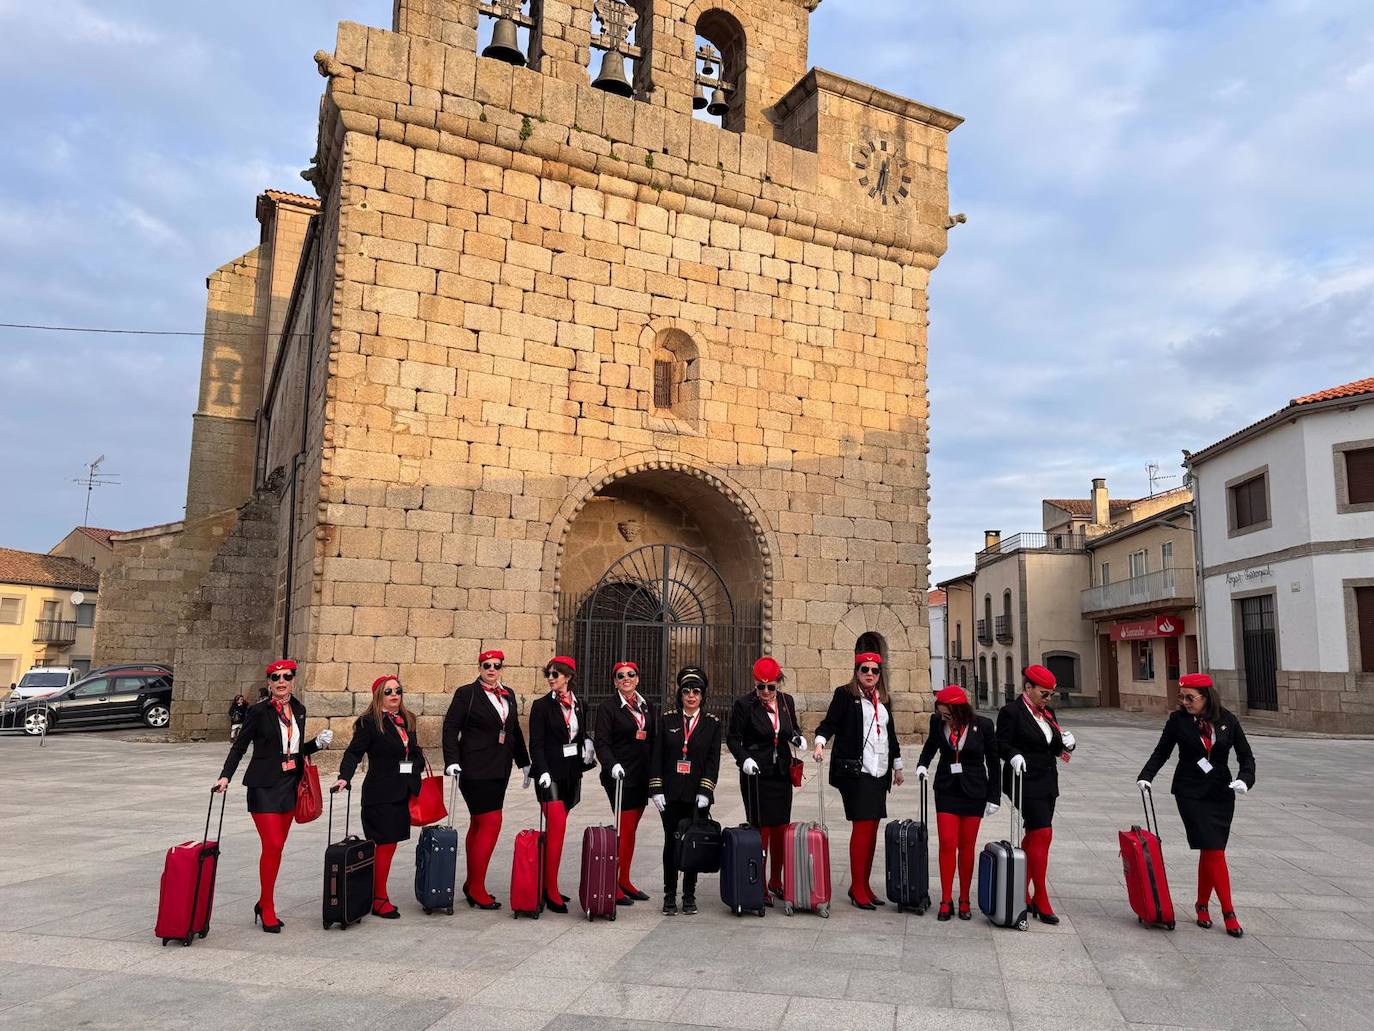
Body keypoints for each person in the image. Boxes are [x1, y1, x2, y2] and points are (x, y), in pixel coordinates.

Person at [213, 660, 333, 932]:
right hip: (264, 786)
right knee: (274, 843)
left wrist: (317, 744)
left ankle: (263, 900)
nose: (281, 681)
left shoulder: (299, 709)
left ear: (293, 680)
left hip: (289, 784)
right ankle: (267, 906)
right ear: (269, 682)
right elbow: (240, 746)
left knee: (276, 849)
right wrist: (225, 776)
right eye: (276, 677)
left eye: (286, 677)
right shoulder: (257, 711)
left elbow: (295, 748)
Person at [1137, 672, 1256, 938]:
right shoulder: (1178, 721)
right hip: (1189, 792)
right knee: (1214, 850)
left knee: (1211, 850)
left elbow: (1246, 755)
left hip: (1221, 792)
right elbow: (1162, 751)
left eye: (1190, 698)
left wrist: (1245, 780)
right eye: (1182, 697)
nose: (1185, 702)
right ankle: (1229, 912)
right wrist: (1146, 776)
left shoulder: (1227, 720)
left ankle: (1202, 905)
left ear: (1206, 697)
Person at [812, 651, 905, 910]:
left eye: (875, 671)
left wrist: (897, 766)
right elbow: (829, 723)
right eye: (865, 669)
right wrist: (820, 743)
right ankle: (858, 887)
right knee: (862, 828)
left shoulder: (884, 699)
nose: (870, 675)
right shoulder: (845, 695)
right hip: (856, 771)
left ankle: (862, 884)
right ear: (857, 671)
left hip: (879, 771)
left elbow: (890, 735)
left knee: (873, 828)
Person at [441, 649, 531, 910]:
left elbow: (512, 730)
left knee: (479, 823)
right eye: (486, 665)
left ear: (502, 667)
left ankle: (472, 883)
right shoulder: (466, 694)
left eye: (496, 665)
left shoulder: (509, 694)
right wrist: (451, 761)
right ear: (479, 667)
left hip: (500, 768)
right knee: (491, 822)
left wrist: (523, 762)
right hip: (475, 768)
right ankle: (477, 887)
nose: (491, 669)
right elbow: (450, 728)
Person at [332, 675, 425, 919]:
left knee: (390, 845)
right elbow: (354, 753)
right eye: (388, 692)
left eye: (398, 690)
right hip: (380, 793)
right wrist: (344, 777)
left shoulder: (407, 719)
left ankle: (376, 894)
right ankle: (379, 898)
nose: (395, 695)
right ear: (378, 696)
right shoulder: (368, 723)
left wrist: (415, 764)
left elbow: (414, 751)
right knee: (383, 846)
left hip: (401, 791)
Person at [996, 664, 1076, 924]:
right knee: (1043, 833)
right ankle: (1041, 896)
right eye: (1044, 693)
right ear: (1027, 688)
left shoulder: (1047, 713)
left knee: (1034, 835)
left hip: (1047, 781)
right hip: (1024, 780)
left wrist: (1067, 743)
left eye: (1051, 694)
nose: (1048, 699)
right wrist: (1013, 755)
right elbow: (1001, 744)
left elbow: (1052, 747)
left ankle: (1022, 892)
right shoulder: (1011, 712)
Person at [915, 685, 1000, 920]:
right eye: (942, 714)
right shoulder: (937, 723)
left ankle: (964, 898)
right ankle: (945, 898)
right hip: (946, 790)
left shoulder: (982, 726)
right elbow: (931, 745)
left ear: (960, 710)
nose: (945, 719)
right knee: (947, 843)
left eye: (948, 715)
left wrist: (994, 796)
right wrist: (922, 764)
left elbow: (993, 762)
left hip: (974, 790)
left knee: (967, 846)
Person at [727, 656, 806, 904]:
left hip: (780, 773)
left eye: (770, 686)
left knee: (781, 828)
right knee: (761, 829)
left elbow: (791, 729)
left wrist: (797, 739)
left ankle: (776, 880)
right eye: (760, 686)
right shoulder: (744, 705)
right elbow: (732, 738)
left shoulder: (786, 701)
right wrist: (744, 759)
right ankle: (758, 882)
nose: (765, 692)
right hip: (755, 774)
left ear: (778, 684)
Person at [648, 666, 721, 915]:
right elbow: (657, 755)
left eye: (696, 692)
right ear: (680, 694)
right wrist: (656, 788)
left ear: (703, 696)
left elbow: (713, 761)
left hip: (696, 795)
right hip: (670, 793)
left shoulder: (712, 724)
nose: (691, 696)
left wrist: (706, 791)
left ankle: (689, 895)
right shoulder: (668, 719)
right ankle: (670, 895)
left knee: (692, 842)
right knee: (672, 841)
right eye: (687, 691)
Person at [528, 655, 595, 913]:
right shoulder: (541, 706)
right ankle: (551, 889)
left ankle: (548, 882)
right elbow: (537, 743)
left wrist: (587, 742)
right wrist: (541, 770)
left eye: (556, 674)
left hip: (570, 773)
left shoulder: (580, 705)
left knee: (560, 828)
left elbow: (579, 733)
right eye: (549, 674)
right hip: (549, 774)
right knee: (556, 825)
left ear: (568, 676)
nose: (551, 678)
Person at [594, 660, 656, 905]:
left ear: (638, 678)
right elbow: (601, 742)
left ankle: (625, 880)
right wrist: (611, 764)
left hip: (642, 776)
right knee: (625, 830)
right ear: (615, 682)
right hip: (620, 777)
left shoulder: (647, 705)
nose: (626, 678)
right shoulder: (608, 707)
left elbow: (653, 739)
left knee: (631, 831)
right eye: (620, 676)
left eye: (630, 674)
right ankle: (614, 883)